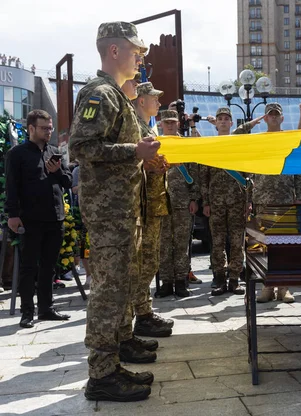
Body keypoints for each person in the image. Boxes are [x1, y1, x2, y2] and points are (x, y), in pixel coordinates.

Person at [70, 21, 160, 402]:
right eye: (136, 51)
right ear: (114, 51)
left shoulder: (116, 95)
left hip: (123, 210)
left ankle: (116, 356)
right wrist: (134, 152)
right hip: (109, 214)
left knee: (120, 285)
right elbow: (81, 147)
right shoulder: (99, 94)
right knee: (108, 292)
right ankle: (102, 376)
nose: (140, 57)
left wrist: (144, 159)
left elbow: (114, 151)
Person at [5, 109, 73, 328]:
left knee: (49, 266)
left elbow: (68, 181)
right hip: (30, 219)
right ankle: (27, 313)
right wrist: (12, 215)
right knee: (28, 267)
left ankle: (46, 309)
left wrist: (56, 172)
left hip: (55, 217)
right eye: (44, 128)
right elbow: (12, 186)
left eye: (50, 128)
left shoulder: (54, 151)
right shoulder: (17, 154)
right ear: (31, 128)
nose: (48, 132)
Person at [129, 82, 174, 337]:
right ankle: (140, 314)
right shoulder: (136, 128)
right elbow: (133, 162)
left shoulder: (149, 128)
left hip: (154, 203)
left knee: (150, 261)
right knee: (144, 263)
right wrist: (147, 167)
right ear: (141, 101)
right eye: (153, 98)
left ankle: (144, 312)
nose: (158, 102)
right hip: (142, 207)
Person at [250, 103, 301, 303]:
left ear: (282, 118)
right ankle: (267, 287)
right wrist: (250, 198)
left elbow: (298, 171)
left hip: (285, 200)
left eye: (277, 115)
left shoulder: (288, 140)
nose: (273, 118)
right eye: (270, 115)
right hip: (262, 200)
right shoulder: (258, 142)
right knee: (263, 245)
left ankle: (284, 288)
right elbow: (249, 171)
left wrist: (299, 196)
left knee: (284, 246)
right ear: (264, 119)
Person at [201, 107, 250, 296]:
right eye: (219, 118)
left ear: (231, 123)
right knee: (217, 242)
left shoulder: (239, 146)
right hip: (216, 203)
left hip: (237, 201)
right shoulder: (210, 147)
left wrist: (248, 201)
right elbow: (203, 176)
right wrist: (205, 201)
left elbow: (248, 174)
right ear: (216, 124)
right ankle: (219, 278)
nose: (222, 121)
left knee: (237, 242)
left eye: (226, 119)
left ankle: (234, 279)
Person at [156, 109, 200, 298]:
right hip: (161, 202)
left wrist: (194, 198)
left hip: (183, 202)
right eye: (167, 122)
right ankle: (166, 282)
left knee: (182, 244)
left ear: (178, 124)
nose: (170, 125)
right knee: (163, 244)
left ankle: (181, 282)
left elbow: (195, 171)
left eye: (173, 122)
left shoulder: (186, 144)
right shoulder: (155, 144)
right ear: (161, 124)